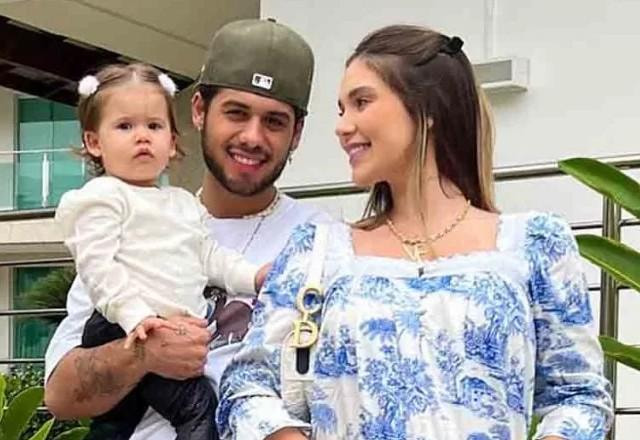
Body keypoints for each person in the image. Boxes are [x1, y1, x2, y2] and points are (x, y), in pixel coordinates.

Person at [218, 24, 613, 440]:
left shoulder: (534, 245)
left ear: (427, 109)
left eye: (361, 102)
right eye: (341, 109)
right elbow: (246, 386)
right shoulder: (316, 250)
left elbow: (580, 396)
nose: (342, 126)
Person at [44, 18, 331, 439]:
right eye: (236, 112)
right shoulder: (127, 227)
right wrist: (143, 355)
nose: (252, 137)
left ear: (297, 133)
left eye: (274, 121)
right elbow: (62, 397)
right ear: (199, 110)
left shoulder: (322, 241)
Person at [54, 62, 272, 440]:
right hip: (123, 325)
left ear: (172, 142)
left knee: (116, 424)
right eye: (125, 126)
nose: (142, 137)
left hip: (161, 326)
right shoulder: (102, 198)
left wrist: (252, 278)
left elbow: (209, 257)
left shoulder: (181, 203)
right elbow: (98, 268)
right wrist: (137, 319)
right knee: (198, 408)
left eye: (154, 126)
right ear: (94, 142)